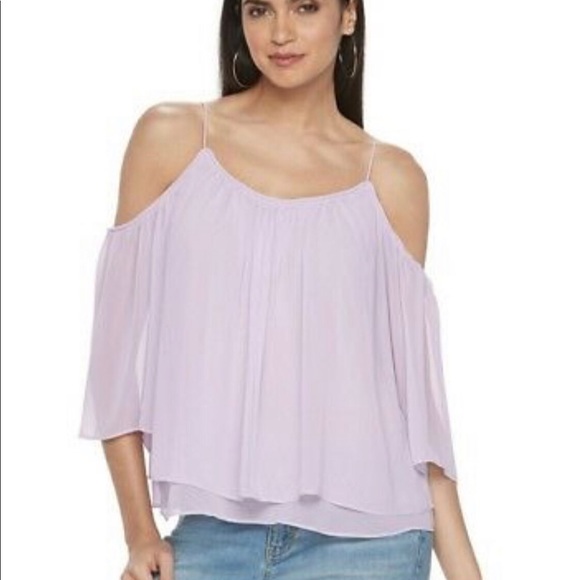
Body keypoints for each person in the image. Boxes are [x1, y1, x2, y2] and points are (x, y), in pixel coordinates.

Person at [78, 0, 482, 579]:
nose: (281, 33)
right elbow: (113, 366)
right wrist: (139, 533)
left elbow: (417, 413)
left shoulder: (392, 180)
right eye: (260, 10)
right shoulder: (172, 139)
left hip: (371, 548)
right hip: (210, 540)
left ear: (348, 15)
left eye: (306, 7)